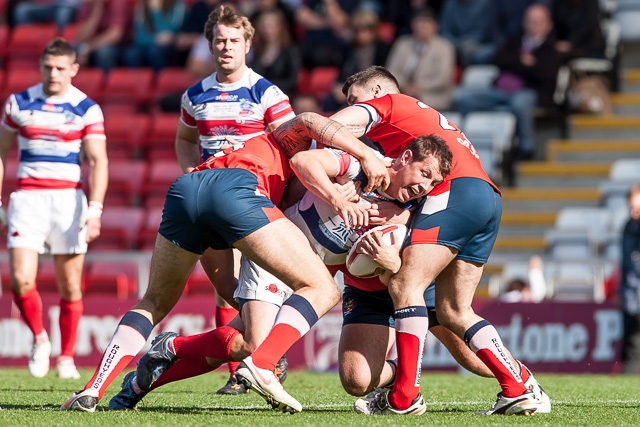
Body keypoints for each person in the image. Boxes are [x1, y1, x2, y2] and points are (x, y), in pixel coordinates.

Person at [253, 65, 548, 415]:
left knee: (409, 286)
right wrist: (341, 189)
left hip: (459, 192)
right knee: (454, 312)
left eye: (354, 99)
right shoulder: (381, 163)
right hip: (482, 198)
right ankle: (519, 384)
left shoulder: (389, 109)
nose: (350, 108)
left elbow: (326, 127)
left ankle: (405, 396)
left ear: (377, 92)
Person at [60, 110, 389, 412]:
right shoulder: (287, 144)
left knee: (158, 302)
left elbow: (229, 289)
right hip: (238, 193)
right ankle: (248, 361)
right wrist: (364, 155)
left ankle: (96, 387)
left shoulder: (266, 157)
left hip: (189, 190)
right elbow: (308, 120)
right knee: (322, 289)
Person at [106, 134, 452, 410]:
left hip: (307, 272)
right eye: (424, 173)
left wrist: (390, 262)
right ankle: (260, 364)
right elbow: (304, 160)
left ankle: (147, 375)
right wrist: (337, 196)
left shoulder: (407, 214)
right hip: (276, 250)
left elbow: (398, 273)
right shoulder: (362, 164)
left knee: (239, 344)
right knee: (256, 343)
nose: (424, 186)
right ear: (406, 158)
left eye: (431, 182)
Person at [174, 4, 297, 395]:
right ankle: (256, 356)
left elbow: (290, 144)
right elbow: (184, 138)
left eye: (233, 41)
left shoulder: (266, 92)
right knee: (224, 287)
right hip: (210, 199)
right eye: (219, 41)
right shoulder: (195, 95)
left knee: (249, 282)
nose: (226, 47)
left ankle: (249, 364)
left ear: (248, 44)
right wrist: (187, 171)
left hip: (250, 199)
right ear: (209, 45)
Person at [0, 37, 108, 380]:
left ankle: (66, 357)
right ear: (41, 66)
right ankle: (39, 337)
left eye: (61, 68)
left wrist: (95, 210)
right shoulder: (19, 102)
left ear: (74, 69)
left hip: (67, 201)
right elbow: (1, 153)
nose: (54, 73)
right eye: (48, 67)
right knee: (20, 279)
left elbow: (98, 161)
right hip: (28, 199)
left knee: (71, 286)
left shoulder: (86, 108)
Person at [453, 3, 563, 160]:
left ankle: (526, 148)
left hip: (530, 92)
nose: (533, 25)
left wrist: (517, 64)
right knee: (465, 99)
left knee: (520, 102)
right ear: (524, 22)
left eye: (538, 21)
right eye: (530, 21)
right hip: (501, 90)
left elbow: (544, 73)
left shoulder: (551, 47)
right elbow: (499, 59)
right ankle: (461, 145)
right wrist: (523, 62)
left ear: (548, 25)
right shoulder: (515, 40)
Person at [385, 8, 455, 112]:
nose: (422, 26)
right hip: (402, 92)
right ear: (412, 24)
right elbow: (391, 70)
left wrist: (418, 88)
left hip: (431, 96)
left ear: (435, 26)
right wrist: (404, 85)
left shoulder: (444, 47)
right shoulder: (402, 44)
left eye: (426, 22)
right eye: (419, 22)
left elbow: (443, 78)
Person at [323, 8, 391, 113]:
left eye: (365, 30)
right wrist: (338, 87)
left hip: (372, 91)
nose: (360, 34)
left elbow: (383, 76)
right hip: (349, 90)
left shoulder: (383, 49)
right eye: (357, 30)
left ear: (373, 31)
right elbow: (341, 74)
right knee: (328, 101)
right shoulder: (348, 49)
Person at [121, 0, 187, 71]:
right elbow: (139, 37)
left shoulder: (178, 5)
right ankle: (135, 81)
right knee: (131, 54)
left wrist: (156, 11)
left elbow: (170, 33)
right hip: (148, 43)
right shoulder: (143, 5)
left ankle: (162, 80)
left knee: (155, 52)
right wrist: (155, 40)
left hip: (173, 46)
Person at [250, 8, 301, 98]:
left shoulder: (290, 50)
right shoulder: (257, 50)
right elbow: (253, 76)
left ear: (280, 26)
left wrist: (269, 88)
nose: (267, 30)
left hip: (283, 95)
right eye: (264, 26)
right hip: (260, 95)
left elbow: (292, 81)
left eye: (270, 26)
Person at [73, 0, 132, 72]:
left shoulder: (118, 3)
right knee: (71, 49)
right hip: (92, 43)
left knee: (104, 52)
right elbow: (81, 36)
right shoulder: (88, 4)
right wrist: (96, 11)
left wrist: (88, 48)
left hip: (119, 45)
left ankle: (106, 80)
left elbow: (115, 34)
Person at [620, 183, 640, 375]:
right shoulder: (628, 227)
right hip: (630, 297)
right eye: (631, 207)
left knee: (635, 351)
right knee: (628, 349)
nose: (634, 212)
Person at [438, 0, 495, 66]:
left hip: (477, 43)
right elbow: (445, 30)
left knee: (472, 50)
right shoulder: (450, 3)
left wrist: (464, 43)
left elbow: (482, 31)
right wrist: (455, 43)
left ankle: (468, 73)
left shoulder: (484, 4)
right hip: (452, 42)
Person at [13, 0, 81, 32]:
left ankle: (59, 47)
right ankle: (31, 40)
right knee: (22, 10)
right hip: (51, 4)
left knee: (63, 15)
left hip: (70, 6)